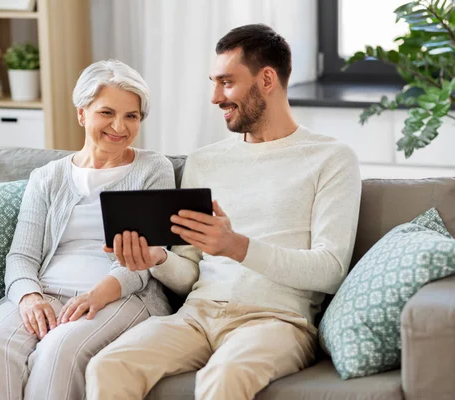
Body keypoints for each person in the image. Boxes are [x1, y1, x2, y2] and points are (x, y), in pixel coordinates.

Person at [86, 24, 362, 400]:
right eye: (213, 83)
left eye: (227, 83)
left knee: (224, 376)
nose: (216, 97)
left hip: (276, 321)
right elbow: (189, 274)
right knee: (108, 365)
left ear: (267, 79)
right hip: (196, 316)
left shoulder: (331, 158)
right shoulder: (205, 161)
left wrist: (237, 246)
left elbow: (330, 270)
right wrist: (156, 258)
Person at [0, 60, 175, 400]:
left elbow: (143, 264)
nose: (119, 127)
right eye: (106, 112)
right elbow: (21, 255)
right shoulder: (47, 177)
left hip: (121, 294)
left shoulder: (153, 169)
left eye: (131, 116)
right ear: (82, 114)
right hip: (46, 289)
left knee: (58, 351)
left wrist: (95, 295)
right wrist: (30, 297)